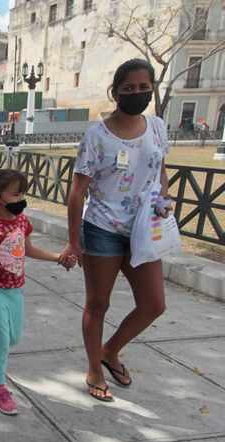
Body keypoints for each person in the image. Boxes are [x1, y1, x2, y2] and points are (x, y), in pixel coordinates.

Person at [59, 59, 172, 401]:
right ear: (115, 92)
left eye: (143, 87)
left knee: (154, 304)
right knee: (98, 303)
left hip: (143, 230)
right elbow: (77, 191)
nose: (137, 94)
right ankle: (95, 368)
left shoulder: (156, 127)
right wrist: (73, 242)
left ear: (152, 89)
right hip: (103, 229)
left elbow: (160, 171)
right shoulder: (97, 135)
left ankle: (111, 350)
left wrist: (164, 200)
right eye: (128, 88)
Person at [0, 169, 77, 415]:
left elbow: (28, 250)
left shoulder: (22, 221)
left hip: (16, 290)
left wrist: (58, 258)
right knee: (4, 343)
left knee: (13, 338)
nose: (21, 200)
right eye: (15, 195)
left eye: (22, 194)